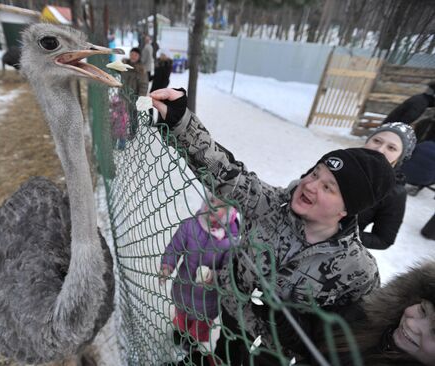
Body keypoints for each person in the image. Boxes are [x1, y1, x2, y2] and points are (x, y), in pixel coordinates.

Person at [150, 88, 396, 365]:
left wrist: (300, 331)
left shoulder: (358, 271)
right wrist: (180, 119)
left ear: (346, 210)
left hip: (277, 352)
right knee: (222, 354)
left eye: (328, 187)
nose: (310, 185)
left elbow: (352, 338)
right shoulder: (271, 204)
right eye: (315, 173)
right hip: (232, 316)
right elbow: (225, 171)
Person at [159, 195, 238, 355]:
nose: (213, 206)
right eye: (212, 200)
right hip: (184, 288)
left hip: (207, 298)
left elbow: (228, 271)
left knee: (200, 325)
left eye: (221, 205)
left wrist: (213, 277)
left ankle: (192, 341)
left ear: (230, 211)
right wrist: (167, 266)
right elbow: (175, 247)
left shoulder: (231, 241)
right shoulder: (190, 226)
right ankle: (180, 332)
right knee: (181, 315)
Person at [358, 122, 417, 249]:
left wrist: (343, 236)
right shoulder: (340, 161)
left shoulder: (394, 192)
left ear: (399, 157)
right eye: (377, 140)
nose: (379, 149)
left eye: (391, 148)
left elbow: (383, 240)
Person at [121, 47, 149, 139]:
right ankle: (121, 130)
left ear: (139, 57)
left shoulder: (141, 69)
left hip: (134, 97)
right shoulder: (125, 65)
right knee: (121, 114)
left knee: (133, 115)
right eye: (131, 54)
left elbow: (144, 85)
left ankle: (132, 132)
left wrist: (141, 98)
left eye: (135, 55)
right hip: (123, 94)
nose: (133, 56)